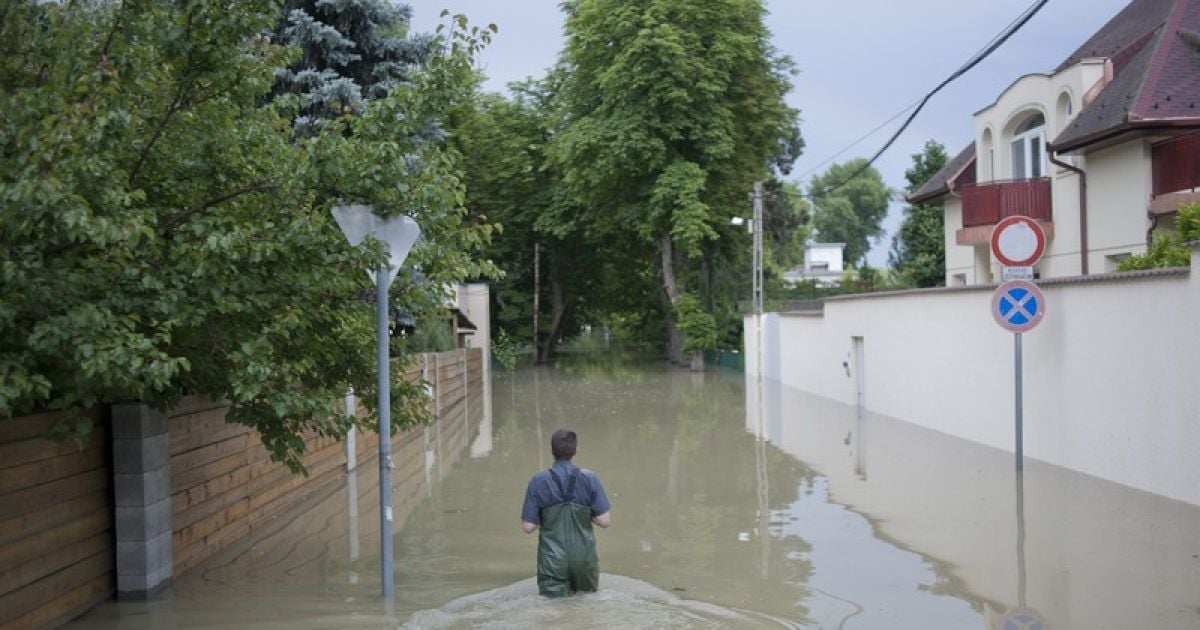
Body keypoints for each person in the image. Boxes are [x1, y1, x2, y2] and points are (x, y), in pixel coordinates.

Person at [520, 428, 611, 597]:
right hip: (584, 560)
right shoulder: (590, 478)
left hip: (553, 561)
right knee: (586, 607)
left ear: (551, 451)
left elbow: (528, 527)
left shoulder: (538, 481)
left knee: (553, 611)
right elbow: (605, 521)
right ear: (575, 451)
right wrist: (586, 514)